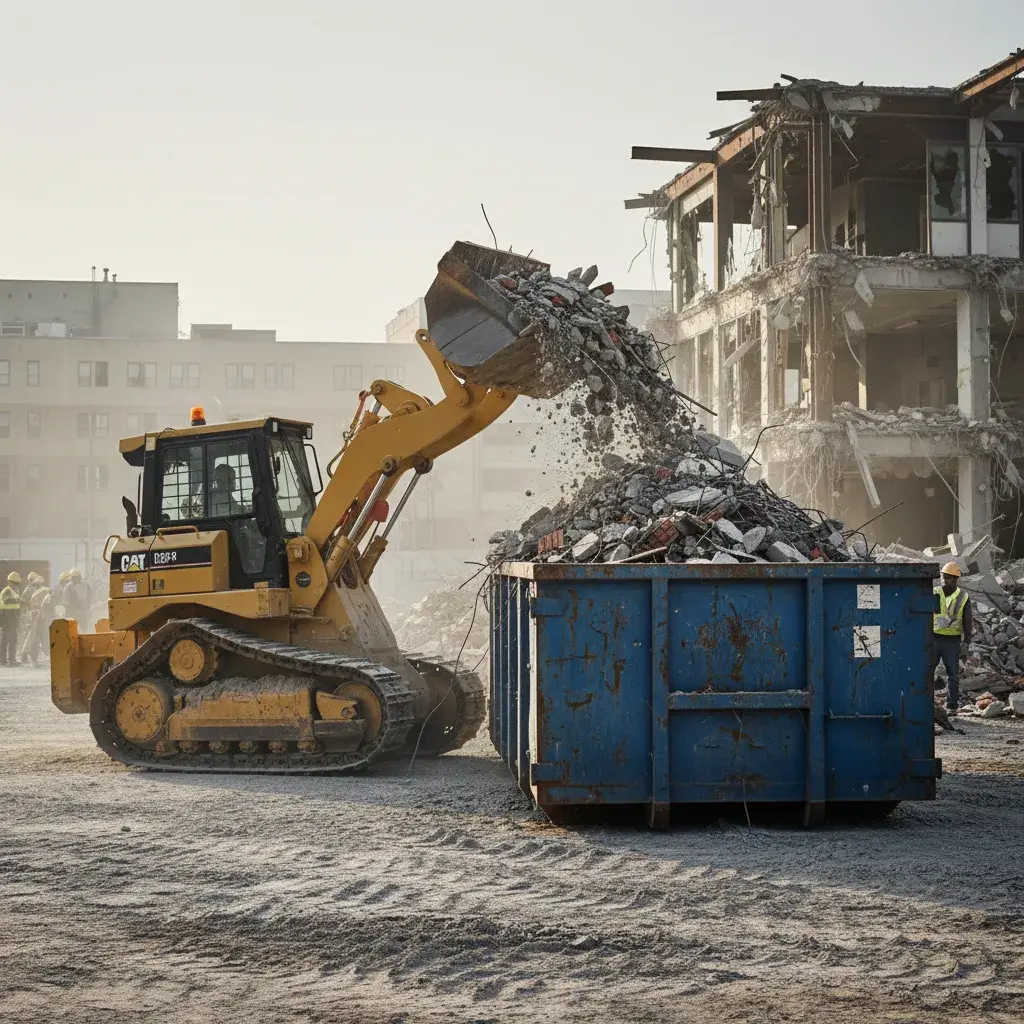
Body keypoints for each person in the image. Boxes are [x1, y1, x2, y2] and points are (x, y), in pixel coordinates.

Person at [930, 561, 973, 713]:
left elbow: (968, 620)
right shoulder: (935, 592)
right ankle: (926, 703)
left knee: (952, 675)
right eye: (943, 577)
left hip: (952, 641)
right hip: (934, 638)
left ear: (955, 579)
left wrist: (967, 641)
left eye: (948, 578)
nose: (944, 580)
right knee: (929, 671)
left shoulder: (963, 597)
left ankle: (952, 706)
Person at [19, 585, 52, 666]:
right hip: (34, 623)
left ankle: (29, 656)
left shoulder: (38, 599)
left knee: (33, 639)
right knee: (31, 639)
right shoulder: (38, 602)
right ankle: (26, 656)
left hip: (35, 622)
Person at [0, 571, 22, 666]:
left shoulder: (16, 591)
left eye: (17, 583)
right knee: (5, 640)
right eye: (14, 583)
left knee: (13, 639)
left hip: (14, 619)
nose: (16, 585)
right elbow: (1, 607)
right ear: (10, 582)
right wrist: (2, 621)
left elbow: (17, 606)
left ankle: (12, 659)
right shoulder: (6, 591)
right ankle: (3, 660)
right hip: (7, 619)